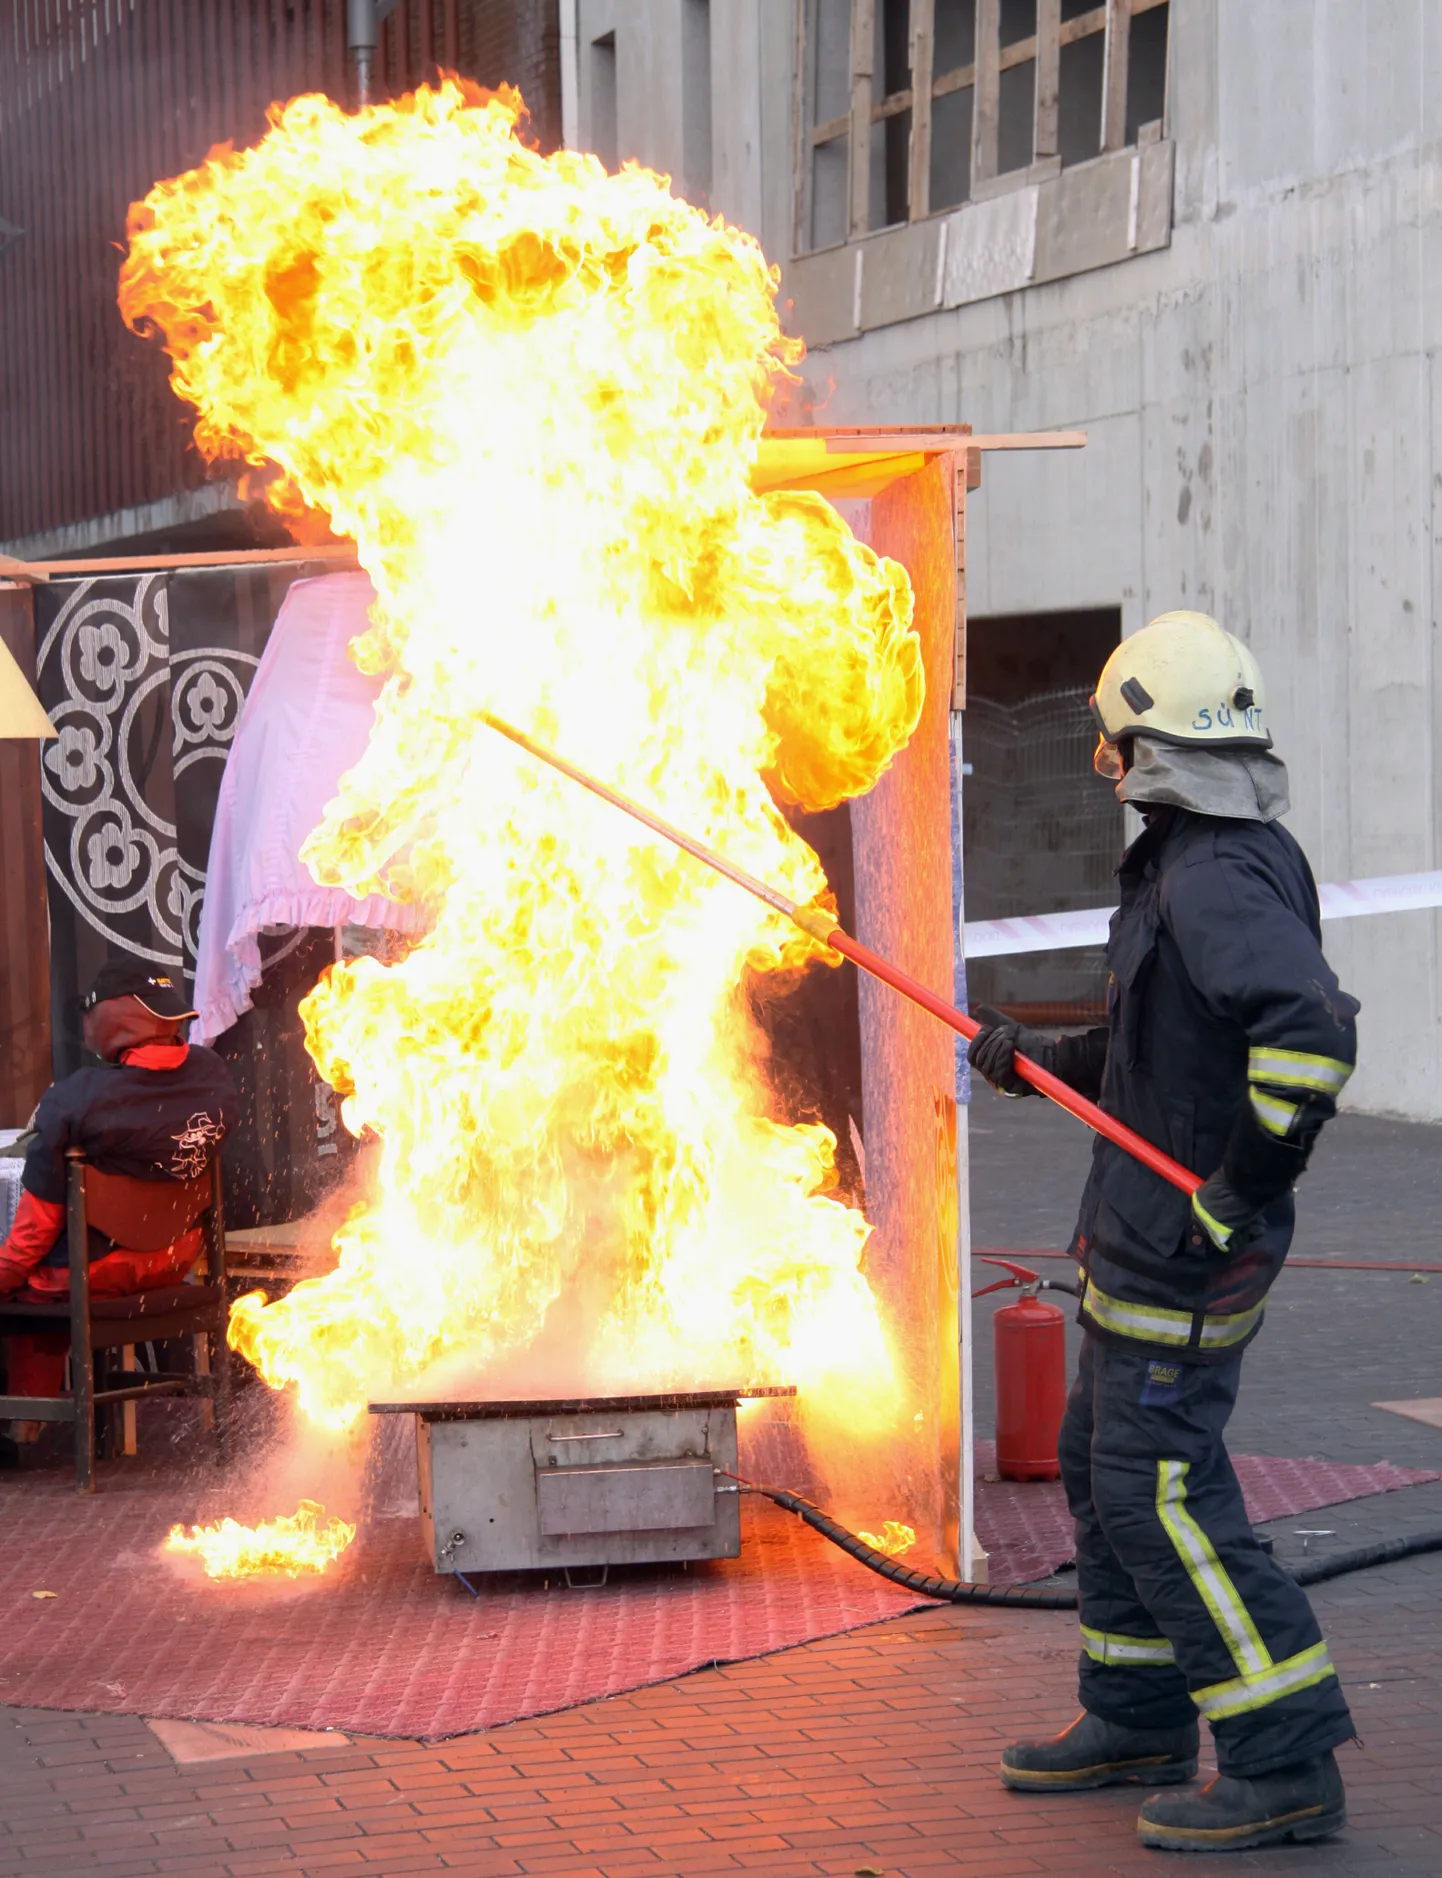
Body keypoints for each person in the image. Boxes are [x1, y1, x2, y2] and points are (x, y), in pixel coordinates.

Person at [968, 612, 1358, 1853]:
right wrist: (1036, 1064)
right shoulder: (1206, 858)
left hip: (1183, 1253)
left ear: (1142, 746)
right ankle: (1133, 1714)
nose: (1106, 767)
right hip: (1142, 1242)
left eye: (1109, 745)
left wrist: (1237, 1185)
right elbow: (1151, 1059)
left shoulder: (1208, 876)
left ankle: (1282, 1759)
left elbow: (1306, 1038)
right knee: (1101, 1471)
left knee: (1164, 1497)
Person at [0, 963, 237, 1463]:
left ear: (113, 1020)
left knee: (27, 1284)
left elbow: (32, 1235)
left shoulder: (77, 1099)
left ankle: (23, 1423)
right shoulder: (213, 1077)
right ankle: (33, 1420)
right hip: (175, 1261)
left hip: (97, 1275)